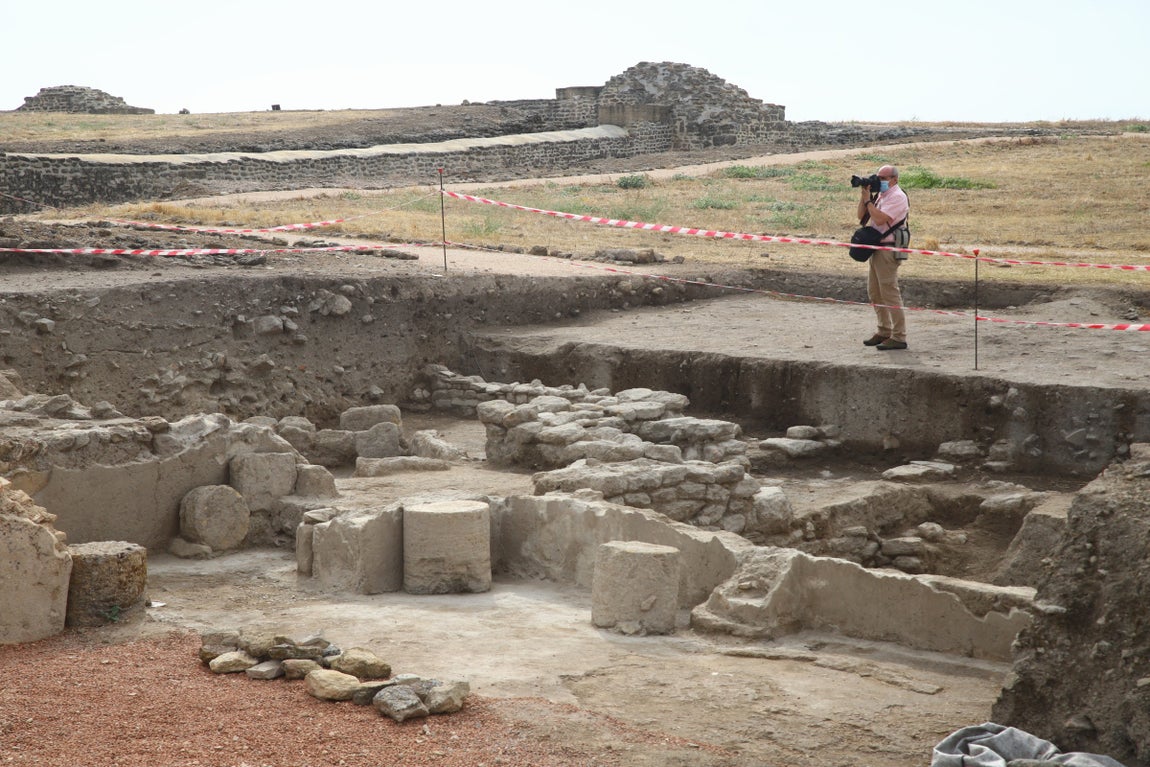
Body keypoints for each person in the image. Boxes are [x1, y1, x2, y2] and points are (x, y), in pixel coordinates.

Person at [856, 165, 910, 350]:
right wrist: (865, 197)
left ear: (895, 179)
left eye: (883, 178)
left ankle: (899, 336)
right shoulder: (881, 195)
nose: (879, 181)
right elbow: (861, 217)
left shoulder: (897, 197)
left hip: (888, 249)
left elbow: (879, 219)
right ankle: (884, 330)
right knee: (875, 292)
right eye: (878, 177)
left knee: (889, 292)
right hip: (876, 247)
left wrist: (869, 202)